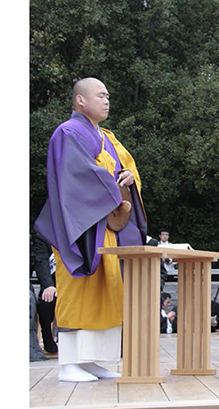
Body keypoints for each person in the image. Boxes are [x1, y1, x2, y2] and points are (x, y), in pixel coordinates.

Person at [34, 78, 147, 383]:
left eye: (108, 95)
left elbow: (127, 170)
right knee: (79, 291)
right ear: (80, 101)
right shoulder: (67, 132)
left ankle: (94, 360)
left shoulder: (108, 137)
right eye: (100, 95)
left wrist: (127, 177)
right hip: (80, 226)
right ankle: (69, 362)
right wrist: (113, 181)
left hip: (106, 226)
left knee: (107, 292)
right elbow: (77, 176)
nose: (106, 100)